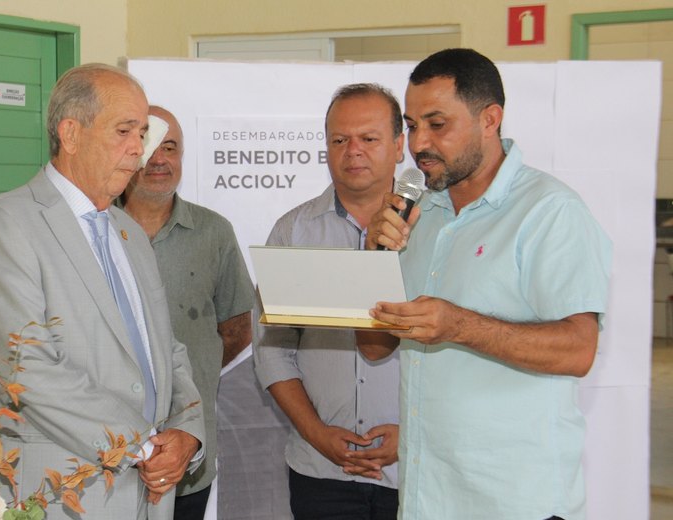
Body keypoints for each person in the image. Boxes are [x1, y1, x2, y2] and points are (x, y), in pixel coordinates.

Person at [365, 48, 612, 520]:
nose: (419, 144)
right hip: (425, 497)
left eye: (438, 124)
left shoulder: (550, 211)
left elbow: (579, 350)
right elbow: (374, 347)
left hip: (515, 501)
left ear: (489, 120)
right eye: (413, 125)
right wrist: (373, 261)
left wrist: (458, 326)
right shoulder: (417, 213)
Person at [0, 63, 206, 520]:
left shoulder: (128, 232)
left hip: (149, 491)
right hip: (56, 494)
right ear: (70, 134)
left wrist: (187, 434)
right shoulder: (5, 224)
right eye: (125, 131)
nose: (140, 150)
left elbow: (167, 350)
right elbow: (28, 367)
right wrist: (142, 446)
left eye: (143, 133)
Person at [253, 83, 404, 520]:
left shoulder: (437, 232)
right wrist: (317, 434)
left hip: (417, 467)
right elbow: (272, 351)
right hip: (321, 473)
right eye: (340, 140)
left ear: (399, 146)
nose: (353, 150)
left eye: (369, 138)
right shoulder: (293, 233)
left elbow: (461, 357)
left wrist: (414, 434)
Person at [116, 105, 255, 520]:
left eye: (171, 148)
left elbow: (236, 329)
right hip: (108, 447)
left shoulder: (214, 232)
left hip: (188, 446)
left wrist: (193, 372)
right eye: (149, 146)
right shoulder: (97, 230)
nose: (159, 159)